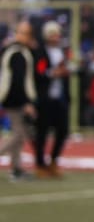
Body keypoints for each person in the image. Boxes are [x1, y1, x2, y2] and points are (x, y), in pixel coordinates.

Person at [0, 19, 39, 181]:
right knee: (18, 135)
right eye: (22, 33)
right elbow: (18, 80)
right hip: (14, 98)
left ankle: (16, 169)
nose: (25, 36)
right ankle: (15, 168)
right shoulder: (17, 53)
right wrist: (26, 102)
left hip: (12, 97)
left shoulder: (18, 51)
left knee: (19, 134)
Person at [32, 20, 72, 178]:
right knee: (42, 132)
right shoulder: (40, 53)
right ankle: (40, 164)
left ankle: (54, 161)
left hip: (59, 98)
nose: (56, 37)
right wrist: (52, 73)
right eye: (53, 34)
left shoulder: (62, 51)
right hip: (45, 99)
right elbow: (40, 72)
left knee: (62, 131)